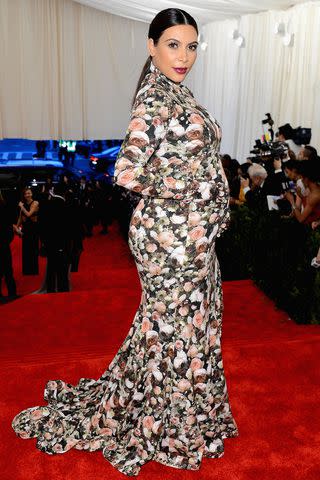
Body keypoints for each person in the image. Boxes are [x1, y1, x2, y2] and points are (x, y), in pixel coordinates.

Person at [12, 8, 239, 476]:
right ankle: (170, 426)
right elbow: (127, 171)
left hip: (190, 236)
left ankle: (188, 415)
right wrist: (192, 192)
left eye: (192, 46)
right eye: (174, 44)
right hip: (170, 237)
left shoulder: (178, 92)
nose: (184, 55)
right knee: (177, 332)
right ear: (152, 46)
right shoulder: (153, 99)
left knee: (185, 327)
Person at [14, 187, 39, 275]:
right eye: (26, 194)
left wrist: (21, 206)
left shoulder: (35, 203)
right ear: (24, 195)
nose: (27, 195)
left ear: (32, 194)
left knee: (33, 249)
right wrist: (17, 227)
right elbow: (21, 217)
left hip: (33, 229)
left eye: (29, 193)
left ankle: (34, 270)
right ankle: (27, 270)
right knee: (26, 250)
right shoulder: (23, 204)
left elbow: (28, 214)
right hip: (26, 229)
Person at [0, 191, 17, 302]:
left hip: (3, 241)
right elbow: (8, 225)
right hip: (4, 242)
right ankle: (12, 293)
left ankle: (10, 293)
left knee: (5, 269)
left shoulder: (3, 206)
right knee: (7, 269)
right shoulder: (3, 206)